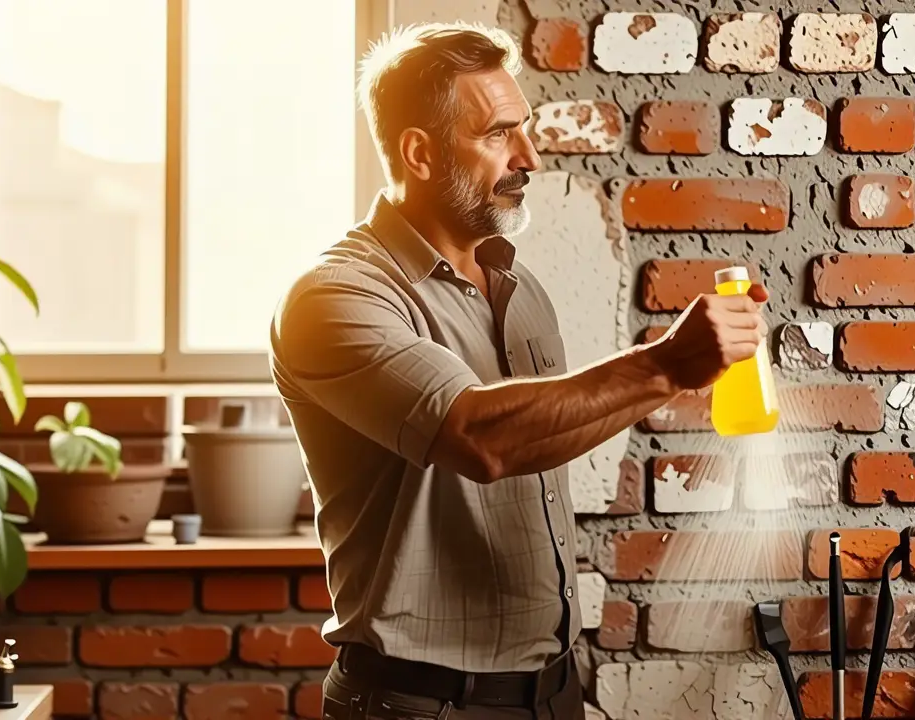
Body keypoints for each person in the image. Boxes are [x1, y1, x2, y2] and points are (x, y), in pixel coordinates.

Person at [269, 21, 770, 720]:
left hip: (552, 692)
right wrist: (663, 365)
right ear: (419, 153)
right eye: (498, 134)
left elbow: (538, 439)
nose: (529, 156)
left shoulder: (518, 288)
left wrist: (678, 373)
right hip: (418, 705)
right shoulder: (335, 298)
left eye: (525, 129)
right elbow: (481, 439)